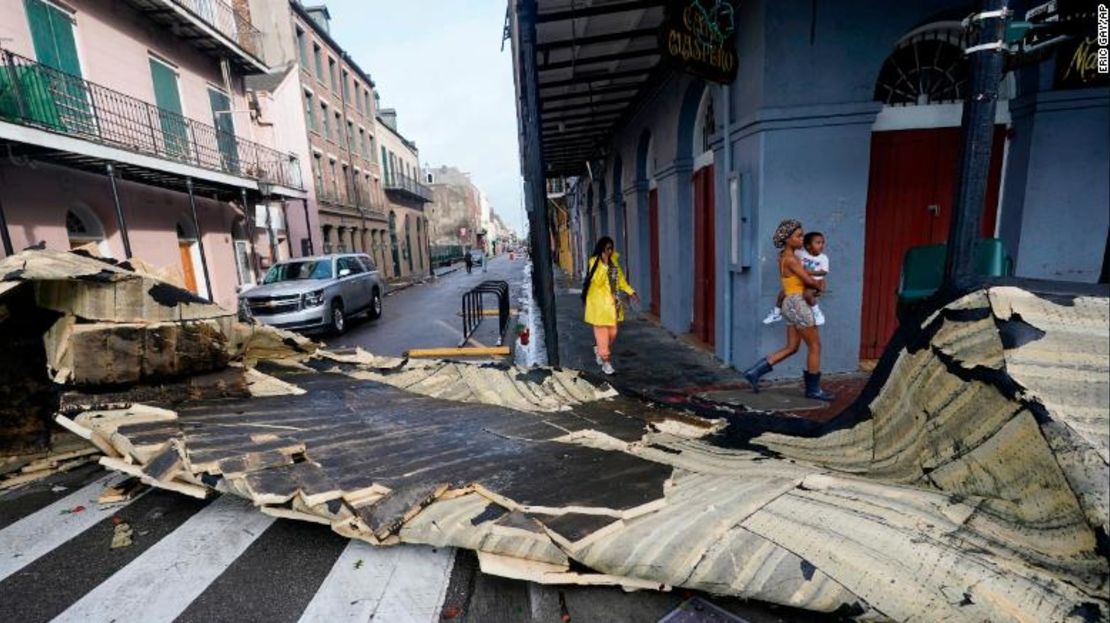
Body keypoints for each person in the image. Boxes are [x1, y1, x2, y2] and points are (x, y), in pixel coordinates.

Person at [742, 220, 834, 401]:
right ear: (787, 238)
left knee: (792, 347)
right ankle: (814, 390)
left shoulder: (786, 256)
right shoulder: (792, 259)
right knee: (815, 346)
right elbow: (808, 280)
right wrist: (819, 285)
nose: (802, 239)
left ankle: (754, 372)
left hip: (790, 303)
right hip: (798, 303)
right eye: (798, 236)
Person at [582, 236, 639, 375]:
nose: (609, 251)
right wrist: (604, 264)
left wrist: (631, 292)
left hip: (613, 305)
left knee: (612, 333)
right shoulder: (594, 262)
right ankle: (606, 362)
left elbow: (621, 281)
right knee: (602, 335)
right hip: (599, 306)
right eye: (607, 248)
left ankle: (599, 348)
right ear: (601, 248)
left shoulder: (614, 262)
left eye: (611, 248)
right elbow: (597, 282)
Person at [761, 231, 828, 326]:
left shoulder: (823, 258)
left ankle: (817, 313)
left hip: (815, 281)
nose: (821, 245)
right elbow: (787, 252)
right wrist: (781, 254)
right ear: (808, 246)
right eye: (818, 243)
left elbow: (824, 272)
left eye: (822, 243)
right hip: (801, 286)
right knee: (782, 294)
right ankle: (776, 313)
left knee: (808, 295)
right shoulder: (801, 254)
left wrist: (811, 275)